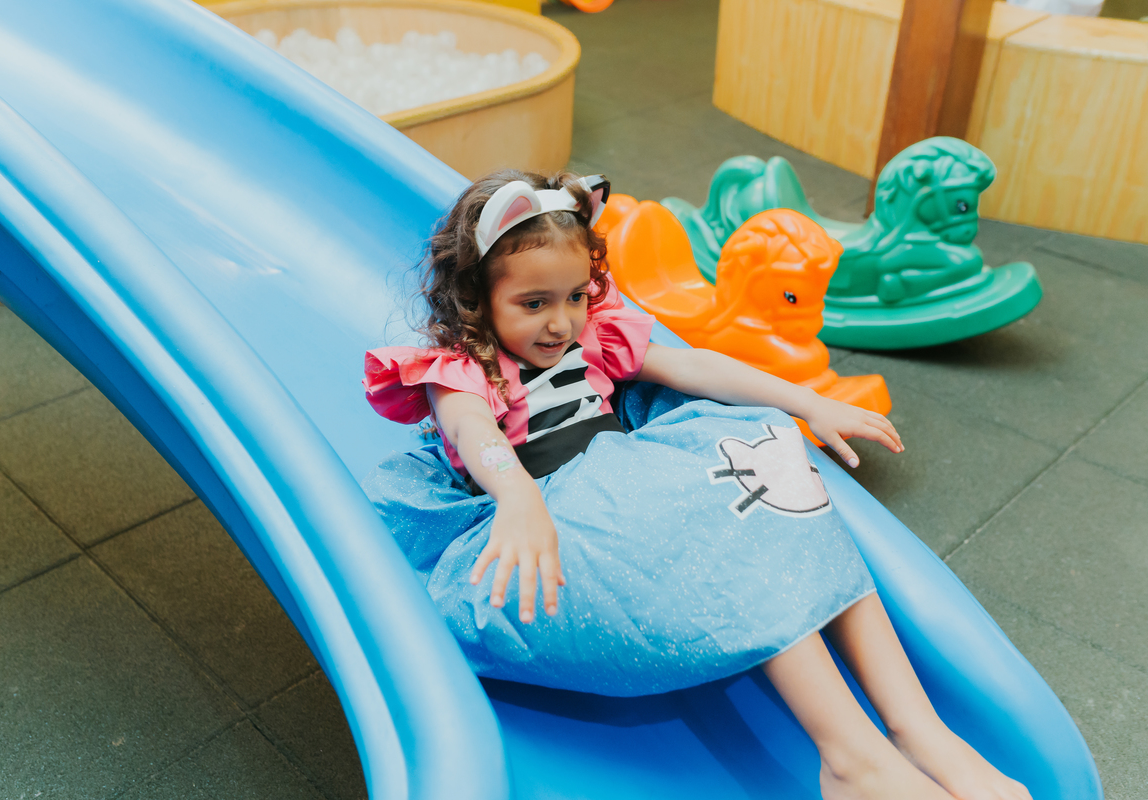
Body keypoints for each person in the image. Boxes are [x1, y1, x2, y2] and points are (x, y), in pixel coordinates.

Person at [362, 170, 1030, 800]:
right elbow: (476, 432)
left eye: (572, 297)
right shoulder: (458, 369)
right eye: (533, 303)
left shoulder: (590, 337)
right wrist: (517, 496)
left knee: (767, 453)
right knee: (711, 532)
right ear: (478, 297)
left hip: (630, 489)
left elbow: (697, 367)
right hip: (568, 519)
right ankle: (851, 755)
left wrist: (806, 402)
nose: (560, 322)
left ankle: (919, 728)